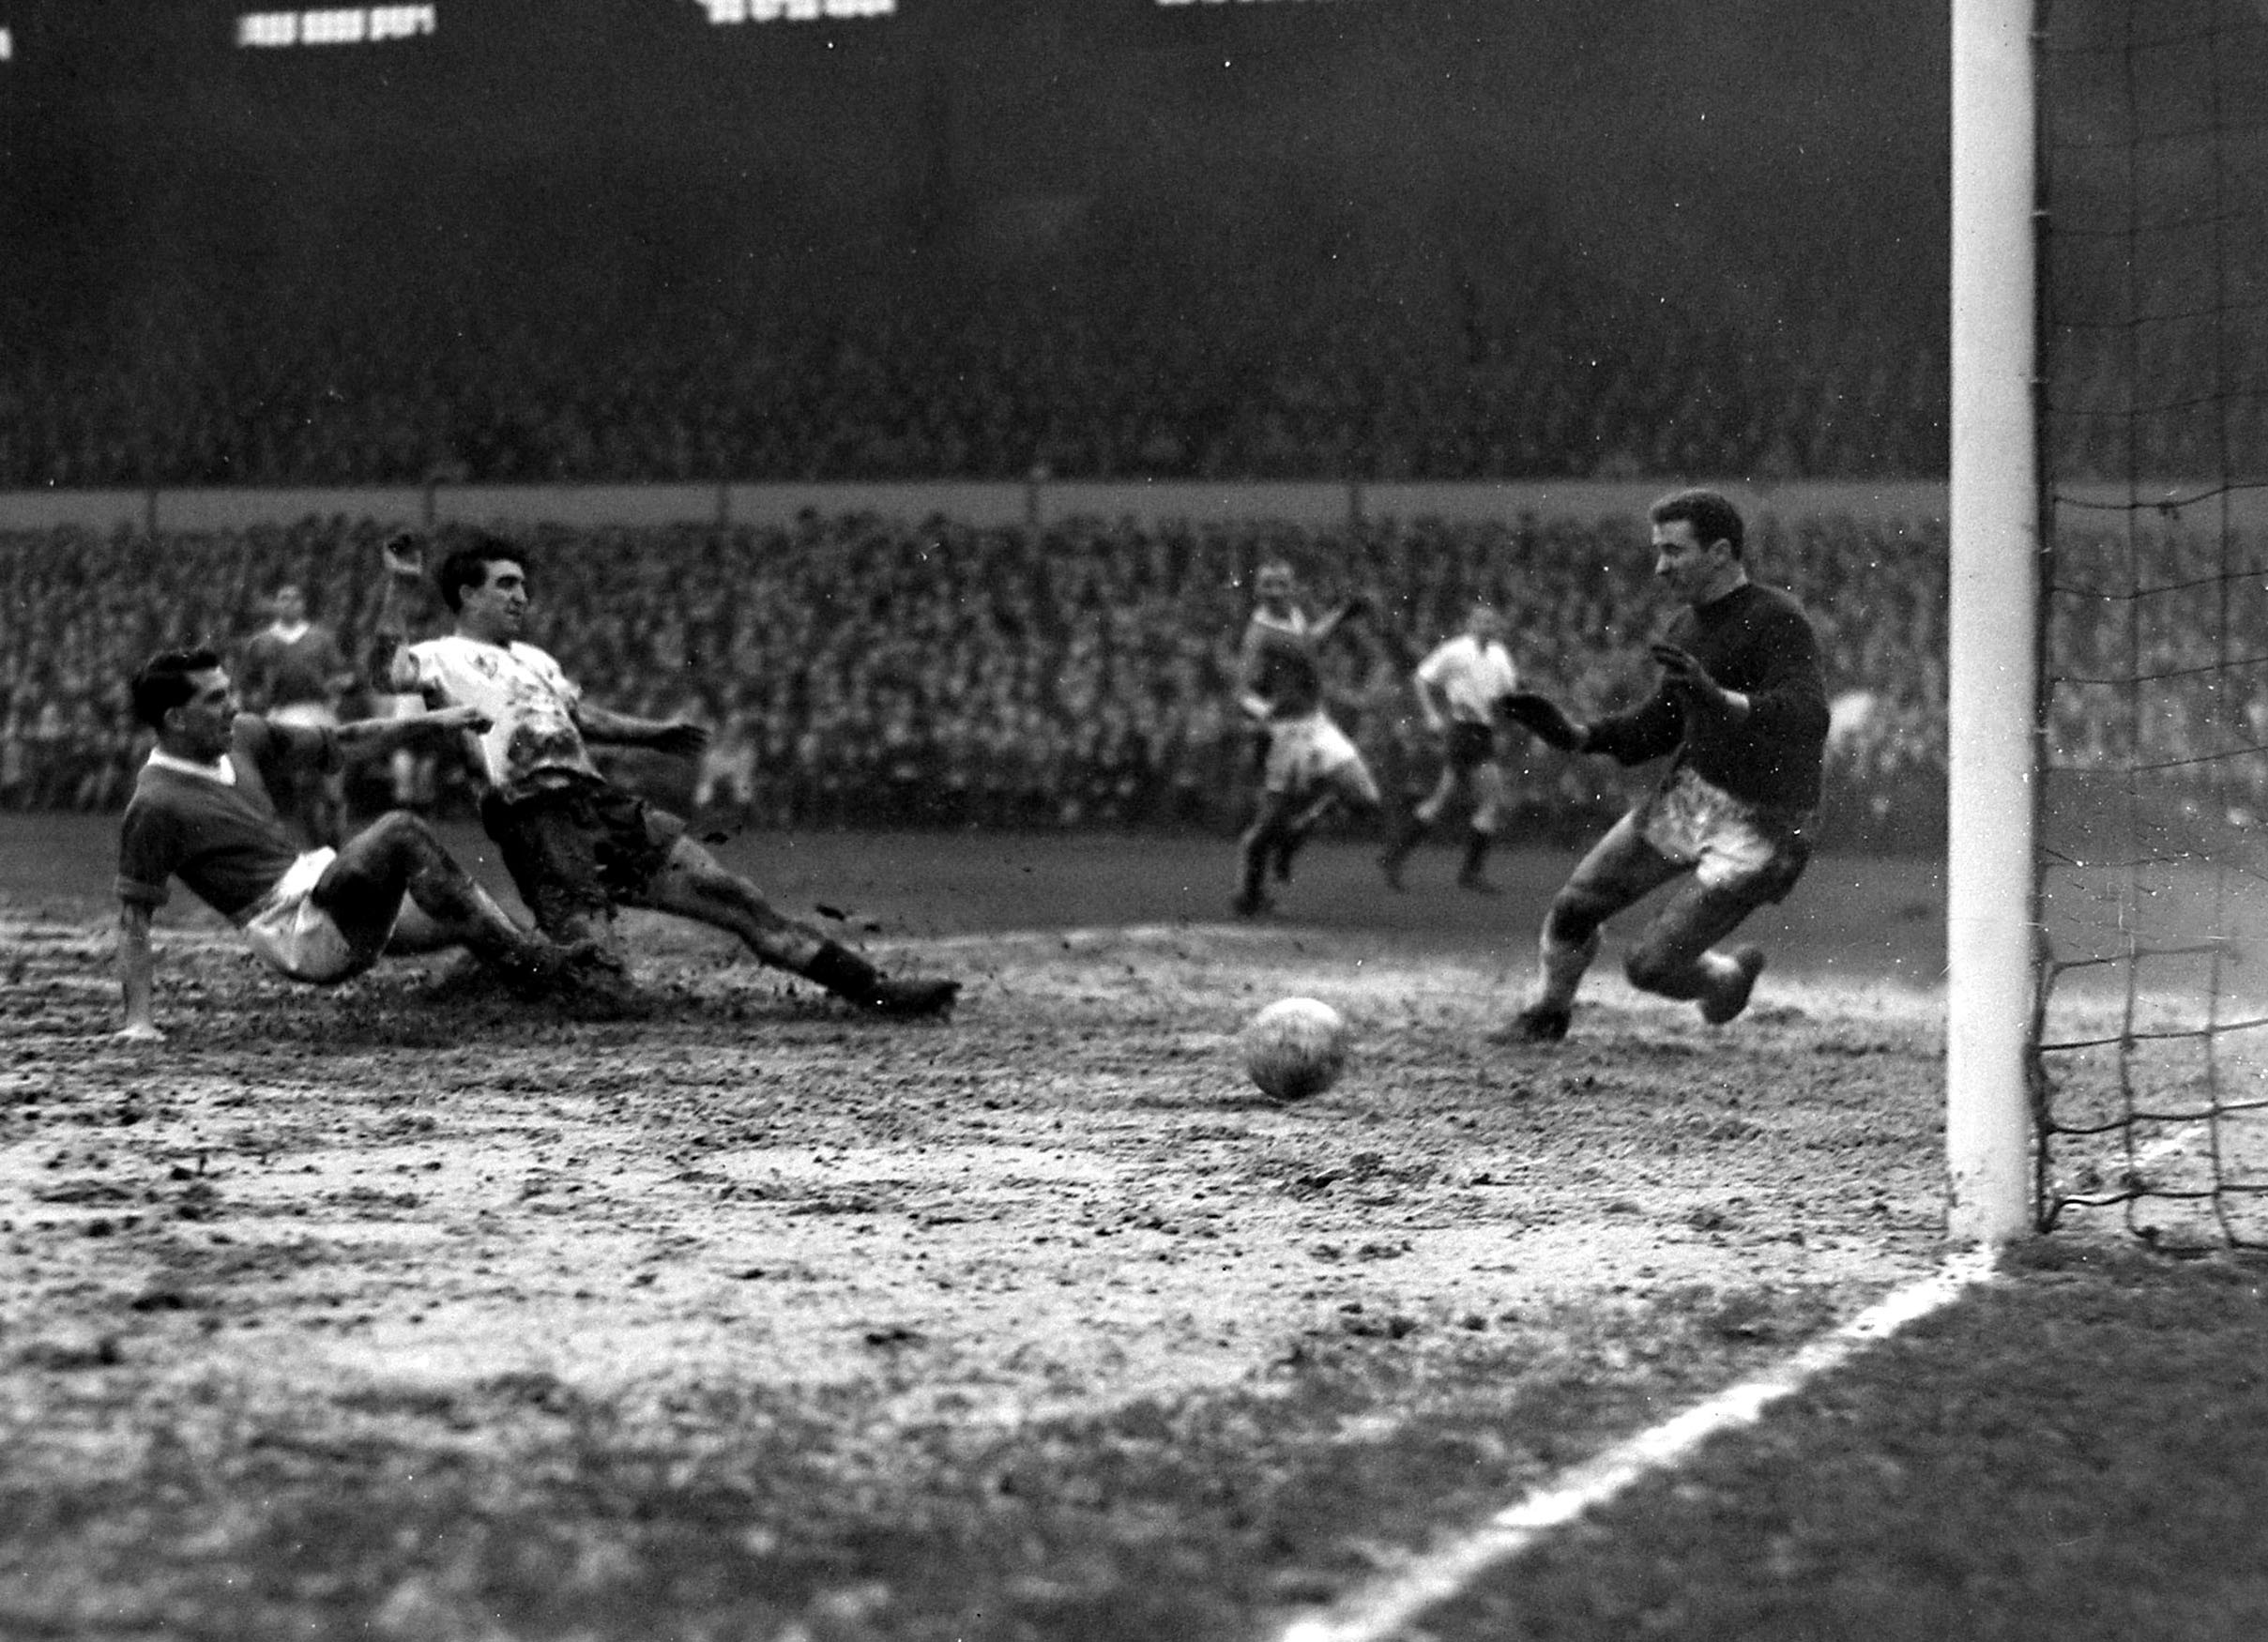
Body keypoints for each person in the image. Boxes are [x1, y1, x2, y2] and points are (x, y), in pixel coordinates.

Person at [367, 529, 960, 1016]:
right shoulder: (441, 656)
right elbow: (383, 674)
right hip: (535, 819)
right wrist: (398, 586)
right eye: (506, 585)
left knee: (736, 896)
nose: (521, 596)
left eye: (523, 585)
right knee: (601, 987)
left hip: (599, 804)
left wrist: (652, 732)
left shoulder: (537, 661)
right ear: (467, 594)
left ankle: (876, 991)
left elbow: (577, 718)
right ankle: (496, 969)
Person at [1495, 489, 1829, 1042]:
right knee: (1576, 906)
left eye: (1673, 552)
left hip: (1764, 824)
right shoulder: (1685, 627)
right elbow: (1658, 727)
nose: (1660, 567)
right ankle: (1548, 1014)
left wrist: (1721, 699)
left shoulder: (1778, 619)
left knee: (1649, 968)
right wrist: (1577, 735)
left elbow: (1809, 715)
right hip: (1694, 794)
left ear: (1720, 552)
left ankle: (1727, 978)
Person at [115, 648, 579, 1042]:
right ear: (175, 718)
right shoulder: (156, 803)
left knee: (476, 917)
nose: (232, 706)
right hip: (298, 932)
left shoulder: (243, 738)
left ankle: (556, 977)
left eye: (229, 692)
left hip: (327, 895)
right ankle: (542, 971)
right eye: (216, 699)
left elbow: (342, 740)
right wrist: (139, 1023)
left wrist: (435, 722)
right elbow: (134, 917)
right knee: (400, 829)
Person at [1230, 558, 1385, 916]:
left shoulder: (1295, 616)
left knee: (1365, 799)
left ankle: (1299, 830)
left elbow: (1310, 641)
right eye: (1268, 585)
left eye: (1281, 584)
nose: (1275, 591)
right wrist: (1263, 713)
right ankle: (1248, 895)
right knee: (1269, 821)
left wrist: (1344, 612)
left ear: (1292, 587)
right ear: (1258, 590)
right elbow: (1240, 690)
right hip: (1287, 733)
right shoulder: (1260, 633)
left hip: (1318, 722)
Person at [1378, 601, 1523, 893]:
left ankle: (1394, 855)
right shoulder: (1456, 650)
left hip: (1481, 731)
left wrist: (1508, 717)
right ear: (1470, 624)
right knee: (1490, 801)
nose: (1487, 626)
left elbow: (1509, 692)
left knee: (1445, 800)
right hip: (1464, 730)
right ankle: (1469, 873)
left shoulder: (1499, 654)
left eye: (1491, 622)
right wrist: (1431, 714)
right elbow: (1421, 678)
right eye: (1481, 621)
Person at [235, 582, 357, 847]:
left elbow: (342, 674)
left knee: (332, 784)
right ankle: (314, 844)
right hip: (282, 713)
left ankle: (335, 839)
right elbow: (245, 683)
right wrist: (253, 699)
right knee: (301, 783)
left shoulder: (320, 638)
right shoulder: (261, 642)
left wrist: (339, 684)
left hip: (318, 711)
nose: (289, 603)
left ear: (303, 604)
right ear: (276, 604)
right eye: (283, 598)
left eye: (295, 598)